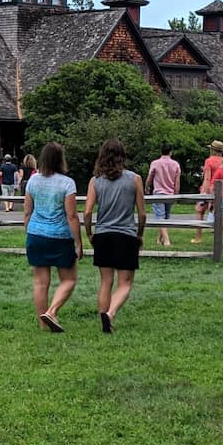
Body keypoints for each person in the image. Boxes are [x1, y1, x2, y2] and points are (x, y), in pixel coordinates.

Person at [84, 138, 146, 334]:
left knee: (105, 281)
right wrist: (139, 235)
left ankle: (103, 317)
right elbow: (142, 213)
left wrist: (89, 234)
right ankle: (110, 314)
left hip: (102, 235)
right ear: (123, 156)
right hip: (126, 235)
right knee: (125, 283)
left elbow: (86, 213)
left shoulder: (95, 181)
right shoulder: (134, 179)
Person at [24, 141, 83, 333]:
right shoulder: (67, 183)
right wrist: (79, 242)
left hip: (36, 234)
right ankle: (52, 311)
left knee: (40, 282)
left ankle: (43, 324)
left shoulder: (33, 181)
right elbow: (72, 216)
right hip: (60, 236)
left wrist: (29, 232)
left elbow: (27, 212)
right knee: (69, 280)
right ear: (61, 160)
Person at [145, 143, 181, 248]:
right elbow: (177, 182)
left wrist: (147, 187)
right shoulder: (176, 164)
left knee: (160, 217)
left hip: (159, 193)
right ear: (171, 152)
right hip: (170, 193)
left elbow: (150, 177)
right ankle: (159, 240)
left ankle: (166, 241)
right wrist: (176, 195)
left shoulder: (155, 163)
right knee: (165, 218)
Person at [191, 139, 223, 245]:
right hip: (222, 190)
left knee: (200, 212)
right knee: (221, 215)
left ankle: (198, 237)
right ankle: (222, 238)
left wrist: (203, 194)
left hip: (209, 189)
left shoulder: (209, 161)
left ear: (212, 150)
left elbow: (207, 179)